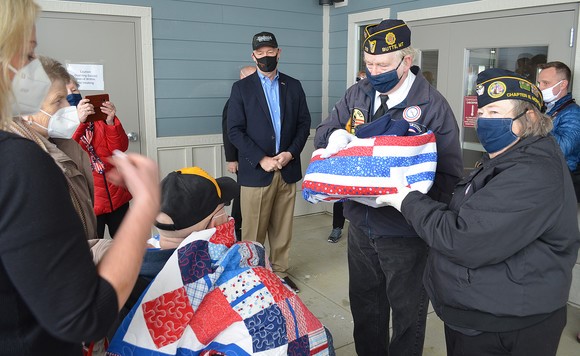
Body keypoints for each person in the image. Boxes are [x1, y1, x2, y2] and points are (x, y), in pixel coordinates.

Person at [375, 68, 580, 356]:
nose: (484, 120)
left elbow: (463, 239)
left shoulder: (532, 173)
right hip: (481, 312)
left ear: (530, 118)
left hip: (505, 325)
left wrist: (405, 199)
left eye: (495, 112)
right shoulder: (507, 158)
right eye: (482, 112)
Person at [0, 1, 160, 354]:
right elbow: (84, 314)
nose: (31, 75)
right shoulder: (21, 161)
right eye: (28, 56)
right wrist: (145, 205)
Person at [314, 19, 463, 355]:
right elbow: (325, 131)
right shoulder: (359, 92)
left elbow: (449, 173)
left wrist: (418, 212)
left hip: (404, 231)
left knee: (407, 312)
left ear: (405, 61)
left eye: (382, 64)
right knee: (366, 306)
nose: (373, 71)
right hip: (360, 225)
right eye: (368, 63)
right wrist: (334, 137)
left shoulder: (431, 105)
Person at [107, 167, 335, 355]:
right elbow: (309, 341)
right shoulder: (253, 282)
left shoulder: (119, 270)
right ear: (216, 223)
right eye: (223, 209)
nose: (228, 215)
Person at [227, 31, 311, 293]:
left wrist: (291, 153)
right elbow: (235, 130)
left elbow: (303, 124)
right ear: (253, 56)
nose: (265, 57)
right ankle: (253, 277)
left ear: (278, 52)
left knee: (283, 228)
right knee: (254, 231)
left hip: (287, 169)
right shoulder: (241, 88)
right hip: (257, 171)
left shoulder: (293, 85)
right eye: (260, 53)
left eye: (270, 52)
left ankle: (281, 273)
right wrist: (261, 159)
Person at [69, 76, 133, 239]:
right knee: (94, 251)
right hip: (90, 202)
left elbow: (119, 148)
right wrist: (80, 122)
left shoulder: (97, 119)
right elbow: (69, 152)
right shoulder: (58, 124)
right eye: (66, 91)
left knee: (128, 244)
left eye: (74, 89)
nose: (72, 94)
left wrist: (110, 122)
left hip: (116, 195)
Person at [327, 70, 367, 244]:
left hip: (366, 155)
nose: (361, 82)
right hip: (346, 153)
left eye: (364, 79)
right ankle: (337, 227)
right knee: (341, 195)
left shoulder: (374, 101)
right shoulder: (350, 99)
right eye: (359, 79)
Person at [222, 65, 256, 241]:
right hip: (242, 158)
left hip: (258, 157)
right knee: (241, 196)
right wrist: (231, 159)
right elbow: (229, 133)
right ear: (241, 78)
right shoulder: (234, 101)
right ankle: (237, 230)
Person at [537, 61, 580, 201]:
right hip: (543, 176)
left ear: (562, 84)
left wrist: (537, 123)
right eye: (539, 83)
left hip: (561, 181)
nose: (540, 87)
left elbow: (562, 148)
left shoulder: (573, 112)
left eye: (545, 83)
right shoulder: (545, 107)